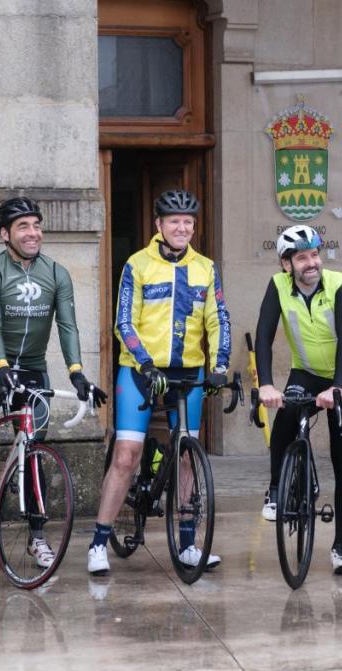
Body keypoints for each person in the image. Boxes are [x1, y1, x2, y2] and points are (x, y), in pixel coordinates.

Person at [88, 189, 231, 576]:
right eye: (174, 221)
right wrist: (146, 363)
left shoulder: (206, 267)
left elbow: (218, 318)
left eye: (188, 222)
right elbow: (124, 323)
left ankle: (187, 543)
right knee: (126, 456)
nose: (182, 227)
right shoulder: (137, 265)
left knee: (186, 453)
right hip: (140, 371)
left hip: (188, 372)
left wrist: (219, 365)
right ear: (159, 226)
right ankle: (99, 541)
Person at [0, 196, 107, 569]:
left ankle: (37, 535)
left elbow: (68, 326)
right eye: (24, 226)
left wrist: (77, 372)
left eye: (37, 225)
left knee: (33, 446)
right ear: (4, 234)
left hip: (32, 369)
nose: (33, 233)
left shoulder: (56, 272)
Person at [254, 225, 342, 574]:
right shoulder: (277, 287)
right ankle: (276, 489)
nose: (311, 262)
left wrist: (337, 387)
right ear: (286, 264)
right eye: (302, 257)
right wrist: (267, 385)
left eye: (315, 254)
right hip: (304, 372)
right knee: (284, 420)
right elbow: (263, 336)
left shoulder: (340, 284)